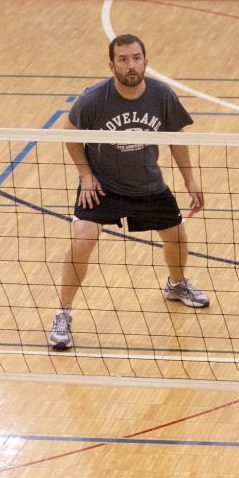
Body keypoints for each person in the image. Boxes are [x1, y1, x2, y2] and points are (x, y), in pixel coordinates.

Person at [47, 33, 208, 350]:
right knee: (82, 241)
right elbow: (69, 134)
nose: (130, 65)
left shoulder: (161, 95)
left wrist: (190, 180)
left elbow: (176, 137)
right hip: (102, 188)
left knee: (176, 235)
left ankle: (176, 286)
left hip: (147, 184)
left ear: (146, 62)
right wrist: (86, 175)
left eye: (136, 58)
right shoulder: (94, 99)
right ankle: (62, 313)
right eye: (123, 59)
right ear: (112, 65)